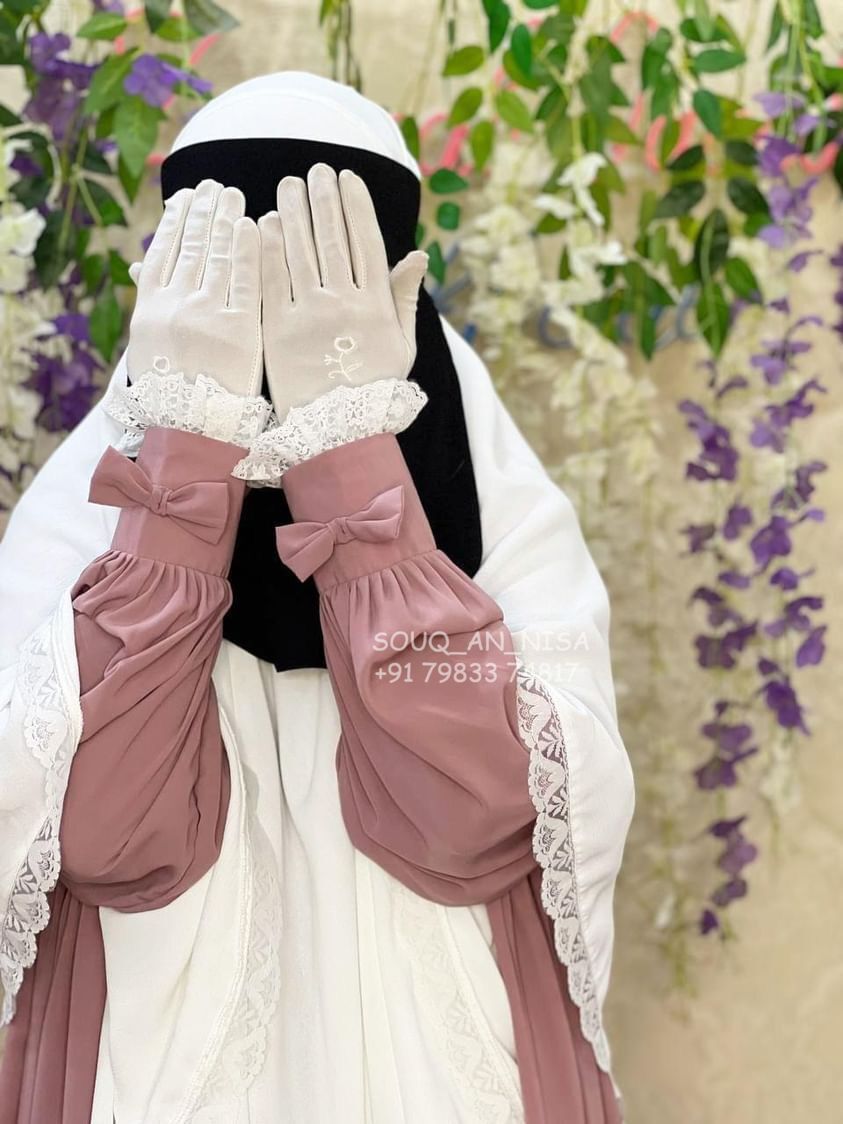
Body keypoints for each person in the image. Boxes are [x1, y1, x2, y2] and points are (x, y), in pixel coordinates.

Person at [0, 73, 635, 1123]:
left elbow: (473, 825)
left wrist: (350, 450)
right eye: (235, 286)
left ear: (398, 296)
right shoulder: (84, 516)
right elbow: (113, 838)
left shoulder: (502, 513)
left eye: (319, 280)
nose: (272, 323)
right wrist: (184, 453)